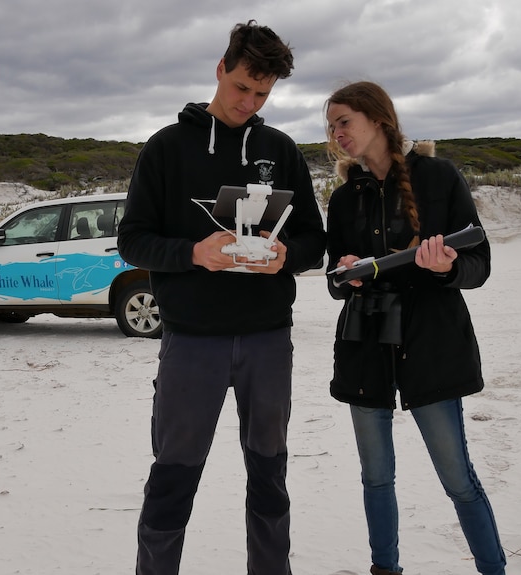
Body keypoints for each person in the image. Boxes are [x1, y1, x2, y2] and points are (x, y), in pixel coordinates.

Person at [117, 20, 327, 575]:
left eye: (262, 94)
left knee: (269, 471)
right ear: (220, 69)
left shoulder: (280, 149)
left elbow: (314, 239)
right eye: (241, 88)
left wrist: (288, 257)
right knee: (175, 472)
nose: (248, 102)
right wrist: (194, 252)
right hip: (191, 342)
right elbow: (132, 241)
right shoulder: (166, 148)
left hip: (266, 339)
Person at [323, 81, 507, 575]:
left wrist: (445, 266)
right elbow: (333, 282)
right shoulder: (343, 200)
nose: (336, 133)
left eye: (344, 121)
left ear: (377, 118)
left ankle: (494, 569)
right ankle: (385, 569)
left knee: (457, 478)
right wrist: (346, 274)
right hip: (365, 344)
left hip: (433, 344)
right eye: (331, 125)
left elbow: (479, 263)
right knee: (376, 477)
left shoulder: (439, 176)